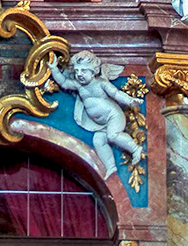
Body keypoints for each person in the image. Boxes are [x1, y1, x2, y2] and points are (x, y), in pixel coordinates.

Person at [49, 50, 143, 178]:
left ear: (93, 71)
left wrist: (130, 101)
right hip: (100, 124)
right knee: (98, 141)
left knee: (113, 136)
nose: (79, 74)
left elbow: (116, 94)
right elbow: (64, 82)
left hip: (113, 116)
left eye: (83, 71)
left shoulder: (101, 83)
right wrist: (54, 69)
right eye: (77, 71)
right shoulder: (78, 86)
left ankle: (135, 149)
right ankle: (110, 166)